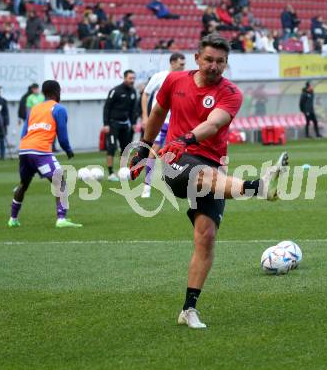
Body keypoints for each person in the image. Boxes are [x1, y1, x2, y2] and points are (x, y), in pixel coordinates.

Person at [128, 34, 288, 329]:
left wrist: (185, 137)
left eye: (221, 61)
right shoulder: (174, 81)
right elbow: (157, 112)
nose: (214, 66)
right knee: (204, 176)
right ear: (196, 58)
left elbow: (214, 123)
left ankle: (188, 309)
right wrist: (144, 147)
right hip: (177, 160)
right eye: (209, 59)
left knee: (206, 237)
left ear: (227, 63)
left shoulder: (231, 93)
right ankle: (258, 187)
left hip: (209, 163)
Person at [8, 80, 82, 228]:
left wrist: (26, 147)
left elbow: (24, 132)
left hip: (24, 150)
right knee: (60, 181)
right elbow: (62, 136)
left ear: (43, 92)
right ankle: (61, 219)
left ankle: (13, 219)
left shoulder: (34, 109)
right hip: (40, 151)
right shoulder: (59, 109)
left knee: (24, 184)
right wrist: (68, 149)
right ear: (57, 91)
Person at [140, 52, 186, 198]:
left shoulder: (185, 78)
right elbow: (146, 93)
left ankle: (174, 184)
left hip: (176, 121)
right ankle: (146, 186)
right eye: (181, 64)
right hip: (160, 120)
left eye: (184, 64)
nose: (183, 67)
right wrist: (145, 116)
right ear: (172, 63)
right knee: (154, 150)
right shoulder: (159, 76)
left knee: (178, 152)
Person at [103, 70, 138, 181]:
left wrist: (133, 123)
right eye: (130, 78)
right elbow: (106, 107)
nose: (132, 80)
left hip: (125, 125)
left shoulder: (133, 92)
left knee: (125, 149)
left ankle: (123, 172)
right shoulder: (115, 91)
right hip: (113, 124)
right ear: (125, 78)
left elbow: (133, 110)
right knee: (112, 147)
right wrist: (106, 124)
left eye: (133, 78)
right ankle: (110, 173)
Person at [0, 85, 9, 160]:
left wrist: (6, 123)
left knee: (1, 140)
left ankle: (2, 155)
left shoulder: (2, 101)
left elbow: (6, 113)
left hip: (1, 123)